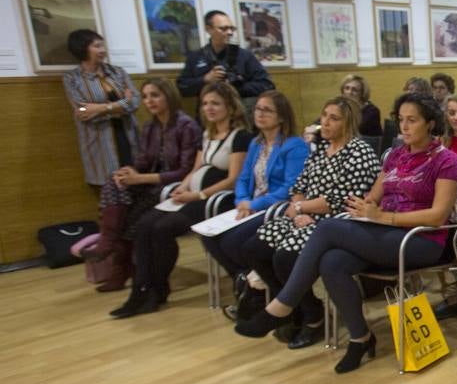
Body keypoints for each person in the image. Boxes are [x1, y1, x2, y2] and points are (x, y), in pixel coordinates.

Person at [236, 92, 457, 373]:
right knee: (333, 261)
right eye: (400, 120)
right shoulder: (395, 156)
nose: (404, 127)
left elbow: (438, 215)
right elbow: (372, 198)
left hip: (421, 239)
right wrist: (364, 209)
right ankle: (360, 337)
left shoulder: (446, 160)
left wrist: (383, 217)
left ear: (430, 124)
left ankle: (283, 304)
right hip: (385, 231)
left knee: (329, 227)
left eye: (412, 120)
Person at [240, 96, 382, 349]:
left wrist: (301, 207)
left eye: (333, 118)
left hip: (335, 224)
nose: (325, 122)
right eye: (324, 115)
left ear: (348, 122)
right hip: (305, 216)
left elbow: (343, 199)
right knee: (253, 248)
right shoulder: (319, 151)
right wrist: (299, 209)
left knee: (284, 257)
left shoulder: (359, 152)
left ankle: (313, 317)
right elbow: (299, 186)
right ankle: (299, 307)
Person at [112, 82, 251, 318]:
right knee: (145, 224)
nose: (209, 108)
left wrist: (197, 194)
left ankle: (156, 290)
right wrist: (182, 189)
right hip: (191, 195)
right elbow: (195, 170)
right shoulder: (206, 134)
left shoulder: (240, 137)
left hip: (214, 199)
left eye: (215, 103)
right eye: (205, 103)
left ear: (230, 106)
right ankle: (143, 289)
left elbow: (233, 179)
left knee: (162, 228)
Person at [90, 78, 200, 292]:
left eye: (155, 95)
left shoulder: (186, 125)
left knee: (130, 215)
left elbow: (185, 171)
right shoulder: (150, 126)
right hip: (151, 182)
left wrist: (140, 178)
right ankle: (110, 243)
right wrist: (129, 171)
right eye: (146, 96)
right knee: (114, 183)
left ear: (168, 96)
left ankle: (119, 259)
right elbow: (143, 161)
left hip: (175, 186)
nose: (149, 101)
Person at [201, 90, 309, 296]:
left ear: (282, 116)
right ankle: (243, 281)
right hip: (250, 206)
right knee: (209, 237)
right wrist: (242, 200)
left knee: (232, 242)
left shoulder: (295, 146)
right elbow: (242, 178)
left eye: (267, 110)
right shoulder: (256, 143)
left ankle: (252, 289)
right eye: (258, 109)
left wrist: (253, 205)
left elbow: (290, 188)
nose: (260, 114)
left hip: (276, 209)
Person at [62, 29, 144, 290]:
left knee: (136, 210)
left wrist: (102, 108)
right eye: (96, 45)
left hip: (130, 144)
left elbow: (135, 102)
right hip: (101, 150)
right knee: (113, 213)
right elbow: (83, 112)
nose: (102, 49)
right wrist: (118, 105)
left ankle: (141, 265)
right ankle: (119, 269)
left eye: (102, 44)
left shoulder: (117, 72)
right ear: (83, 49)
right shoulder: (73, 78)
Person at [177, 10, 274, 106]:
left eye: (232, 29)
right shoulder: (195, 57)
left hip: (238, 114)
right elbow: (182, 88)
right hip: (207, 116)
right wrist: (204, 80)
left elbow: (267, 85)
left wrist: (235, 87)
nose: (230, 32)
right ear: (208, 29)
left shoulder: (245, 56)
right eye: (224, 29)